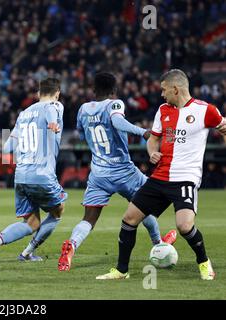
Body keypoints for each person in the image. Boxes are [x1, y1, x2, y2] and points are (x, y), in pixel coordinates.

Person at [96, 69, 225, 281]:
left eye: (164, 90)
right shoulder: (163, 110)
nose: (162, 94)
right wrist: (152, 152)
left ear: (176, 89)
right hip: (160, 177)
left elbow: (224, 128)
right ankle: (121, 271)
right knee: (129, 219)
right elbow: (153, 139)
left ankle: (203, 262)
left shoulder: (206, 110)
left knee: (184, 226)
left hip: (185, 178)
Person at [57, 72, 176, 272]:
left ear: (93, 90)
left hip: (98, 174)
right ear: (114, 91)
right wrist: (143, 132)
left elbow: (80, 132)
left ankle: (71, 245)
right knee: (144, 204)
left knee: (89, 218)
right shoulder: (115, 104)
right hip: (124, 171)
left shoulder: (83, 109)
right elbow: (117, 122)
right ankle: (158, 243)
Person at [0, 78, 67, 264]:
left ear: (38, 93)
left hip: (20, 176)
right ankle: (27, 252)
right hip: (42, 174)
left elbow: (9, 147)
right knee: (58, 211)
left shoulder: (24, 113)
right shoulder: (55, 106)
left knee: (32, 223)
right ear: (57, 93)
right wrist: (52, 123)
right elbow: (51, 108)